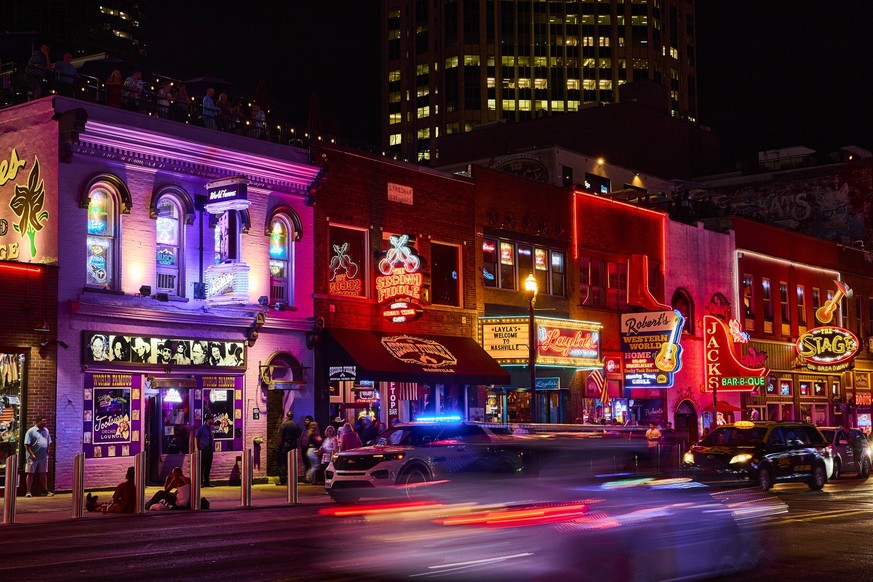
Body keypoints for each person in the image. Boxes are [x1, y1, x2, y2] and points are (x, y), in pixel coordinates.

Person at [24, 417, 53, 497]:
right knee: (30, 474)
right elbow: (26, 444)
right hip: (32, 457)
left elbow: (49, 441)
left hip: (43, 456)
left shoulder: (46, 430)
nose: (45, 423)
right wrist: (31, 454)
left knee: (43, 474)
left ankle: (44, 490)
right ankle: (28, 491)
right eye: (43, 421)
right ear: (38, 421)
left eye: (45, 421)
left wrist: (48, 450)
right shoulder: (31, 431)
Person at [277, 411, 301, 485]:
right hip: (293, 445)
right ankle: (291, 479)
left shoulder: (283, 425)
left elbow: (280, 437)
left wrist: (279, 446)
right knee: (291, 462)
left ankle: (283, 480)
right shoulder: (296, 425)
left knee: (282, 462)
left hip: (285, 445)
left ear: (286, 417)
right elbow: (299, 436)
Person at [196, 415, 215, 487]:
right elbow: (197, 437)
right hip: (203, 449)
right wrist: (197, 447)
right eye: (211, 419)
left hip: (210, 449)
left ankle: (207, 482)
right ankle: (200, 482)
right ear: (208, 420)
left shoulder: (212, 428)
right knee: (202, 466)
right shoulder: (202, 427)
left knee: (208, 466)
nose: (213, 420)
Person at [298, 415, 314, 480]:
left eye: (307, 420)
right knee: (305, 463)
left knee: (308, 463)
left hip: (308, 448)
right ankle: (307, 477)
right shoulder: (304, 429)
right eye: (305, 420)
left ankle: (309, 477)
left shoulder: (311, 430)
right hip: (303, 448)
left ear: (311, 421)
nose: (305, 421)